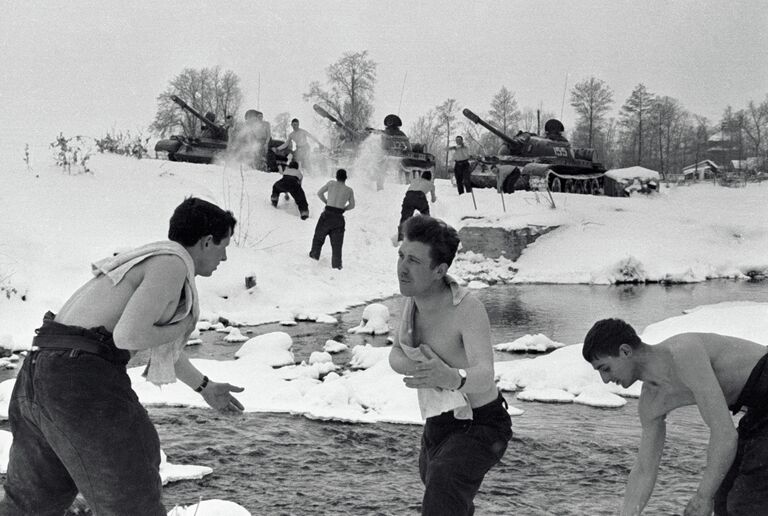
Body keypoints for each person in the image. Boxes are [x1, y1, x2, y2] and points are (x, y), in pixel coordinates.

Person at [0, 197, 245, 515]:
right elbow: (128, 336)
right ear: (206, 241)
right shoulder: (172, 263)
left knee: (30, 505)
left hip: (38, 376)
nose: (224, 256)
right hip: (80, 381)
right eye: (224, 246)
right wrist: (182, 326)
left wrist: (205, 387)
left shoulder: (146, 261)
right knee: (133, 497)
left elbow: (154, 344)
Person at [388, 215, 512, 516]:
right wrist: (422, 367)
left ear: (439, 270)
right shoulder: (413, 303)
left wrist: (451, 377)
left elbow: (485, 374)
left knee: (443, 484)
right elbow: (395, 355)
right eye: (401, 256)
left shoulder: (467, 308)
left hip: (482, 423)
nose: (402, 267)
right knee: (441, 491)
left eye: (414, 260)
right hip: (440, 420)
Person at [582, 318, 768, 516]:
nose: (605, 379)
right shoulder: (651, 402)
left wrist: (702, 496)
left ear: (625, 351)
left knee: (745, 502)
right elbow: (645, 469)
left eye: (605, 368)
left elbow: (725, 435)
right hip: (759, 411)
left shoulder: (683, 353)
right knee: (725, 496)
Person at [309, 168, 355, 270]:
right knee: (337, 245)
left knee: (318, 238)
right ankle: (337, 266)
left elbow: (319, 193)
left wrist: (326, 202)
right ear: (346, 178)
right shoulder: (349, 190)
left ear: (336, 176)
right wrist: (343, 209)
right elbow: (352, 205)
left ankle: (314, 257)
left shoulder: (331, 184)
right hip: (338, 218)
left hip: (327, 215)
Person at [397, 170, 437, 242]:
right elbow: (433, 199)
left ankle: (400, 238)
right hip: (420, 197)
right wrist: (434, 198)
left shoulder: (415, 180)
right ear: (430, 178)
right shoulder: (431, 184)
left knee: (405, 218)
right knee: (426, 217)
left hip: (408, 196)